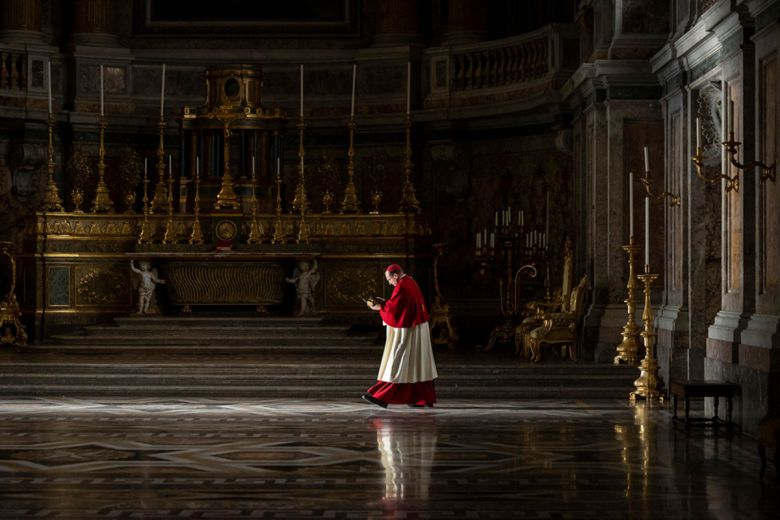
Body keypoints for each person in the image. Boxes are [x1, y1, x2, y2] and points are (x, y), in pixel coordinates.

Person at [363, 263, 438, 408]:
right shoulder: (410, 281)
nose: (390, 283)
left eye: (389, 280)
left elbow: (394, 310)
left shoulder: (402, 286)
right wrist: (385, 303)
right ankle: (421, 398)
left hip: (408, 330)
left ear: (395, 275)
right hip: (417, 327)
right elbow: (399, 304)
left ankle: (382, 397)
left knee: (398, 362)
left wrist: (378, 307)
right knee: (417, 364)